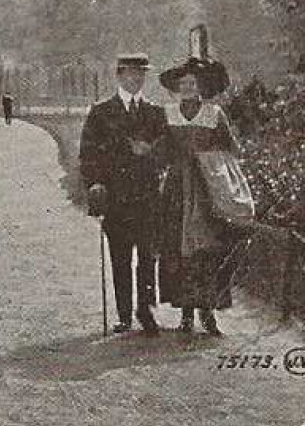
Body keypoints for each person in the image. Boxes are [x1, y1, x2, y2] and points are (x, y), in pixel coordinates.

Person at [79, 53, 169, 334]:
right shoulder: (101, 112)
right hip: (116, 199)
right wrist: (94, 184)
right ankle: (124, 315)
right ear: (119, 76)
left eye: (141, 74)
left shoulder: (155, 113)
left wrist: (151, 152)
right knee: (120, 258)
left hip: (147, 198)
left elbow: (166, 152)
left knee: (147, 258)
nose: (136, 79)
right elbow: (88, 154)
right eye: (130, 74)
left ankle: (146, 311)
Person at [153, 56, 242, 336]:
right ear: (177, 88)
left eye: (193, 83)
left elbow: (232, 149)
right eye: (183, 84)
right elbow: (162, 151)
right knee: (179, 248)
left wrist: (208, 159)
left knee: (208, 248)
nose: (188, 88)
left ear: (201, 86)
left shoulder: (214, 115)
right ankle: (186, 314)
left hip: (207, 187)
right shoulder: (168, 114)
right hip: (178, 188)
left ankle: (209, 311)